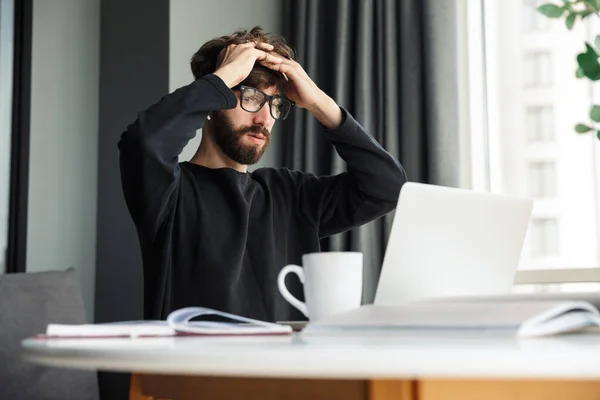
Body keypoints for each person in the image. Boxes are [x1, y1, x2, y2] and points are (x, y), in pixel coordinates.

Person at [118, 26, 407, 322]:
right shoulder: (170, 193)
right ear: (213, 102)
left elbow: (387, 187)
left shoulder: (291, 195)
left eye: (275, 104)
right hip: (198, 367)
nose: (264, 118)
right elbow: (145, 142)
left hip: (285, 367)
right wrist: (223, 76)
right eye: (251, 98)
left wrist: (320, 103)